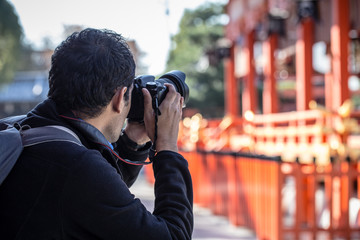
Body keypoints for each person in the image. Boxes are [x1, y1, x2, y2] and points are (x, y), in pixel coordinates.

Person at [0, 28, 193, 239]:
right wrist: (167, 147)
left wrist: (132, 142)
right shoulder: (76, 168)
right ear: (120, 98)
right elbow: (174, 235)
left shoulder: (29, 131)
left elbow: (99, 199)